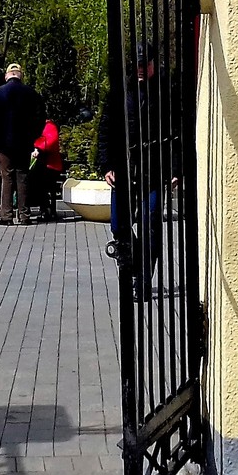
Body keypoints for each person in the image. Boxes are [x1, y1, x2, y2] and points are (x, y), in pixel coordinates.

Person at [95, 43, 170, 300]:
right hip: (124, 169)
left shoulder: (165, 88)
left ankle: (142, 278)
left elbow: (177, 128)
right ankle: (134, 265)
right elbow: (105, 131)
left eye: (144, 65)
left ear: (152, 63)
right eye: (136, 66)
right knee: (119, 226)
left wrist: (176, 168)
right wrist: (106, 166)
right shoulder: (120, 91)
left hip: (153, 168)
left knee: (150, 225)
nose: (140, 70)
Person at [0, 63, 45, 226]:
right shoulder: (31, 94)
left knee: (7, 177)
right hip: (24, 142)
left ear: (7, 76)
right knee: (23, 177)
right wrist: (33, 137)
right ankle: (24, 215)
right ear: (21, 75)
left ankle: (6, 215)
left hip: (4, 144)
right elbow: (40, 118)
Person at [29, 119, 65, 221]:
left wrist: (37, 147)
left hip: (50, 165)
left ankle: (46, 209)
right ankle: (43, 207)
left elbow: (51, 141)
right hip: (41, 164)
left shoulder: (49, 125)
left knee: (39, 181)